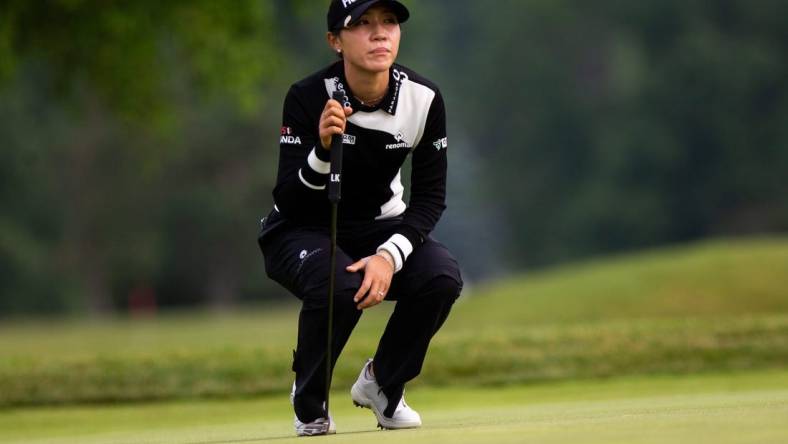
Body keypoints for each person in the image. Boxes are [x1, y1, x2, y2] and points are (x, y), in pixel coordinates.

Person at [257, 0, 462, 436]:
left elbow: (430, 198)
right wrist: (322, 151)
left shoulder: (423, 99)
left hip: (380, 225)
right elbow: (289, 199)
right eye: (363, 24)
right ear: (335, 41)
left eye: (389, 22)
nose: (380, 33)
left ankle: (384, 385)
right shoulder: (308, 97)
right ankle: (309, 401)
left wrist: (388, 256)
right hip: (298, 229)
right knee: (339, 283)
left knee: (440, 277)